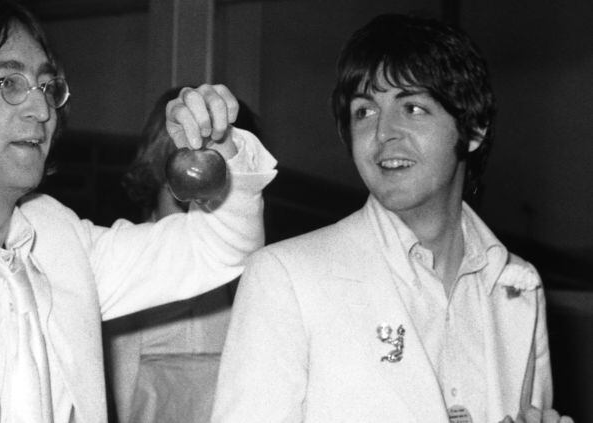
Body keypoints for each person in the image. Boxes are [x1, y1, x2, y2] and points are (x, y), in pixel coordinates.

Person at [0, 1, 277, 422]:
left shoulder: (60, 239)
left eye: (46, 85)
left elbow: (222, 247)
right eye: (9, 83)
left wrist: (222, 150)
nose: (41, 108)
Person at [212, 14, 571, 423]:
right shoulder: (285, 278)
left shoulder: (518, 285)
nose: (384, 133)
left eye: (413, 107)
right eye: (364, 111)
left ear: (473, 129)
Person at [104, 87, 262, 423]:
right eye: (183, 194)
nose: (199, 214)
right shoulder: (118, 268)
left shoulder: (255, 274)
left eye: (216, 197)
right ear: (158, 176)